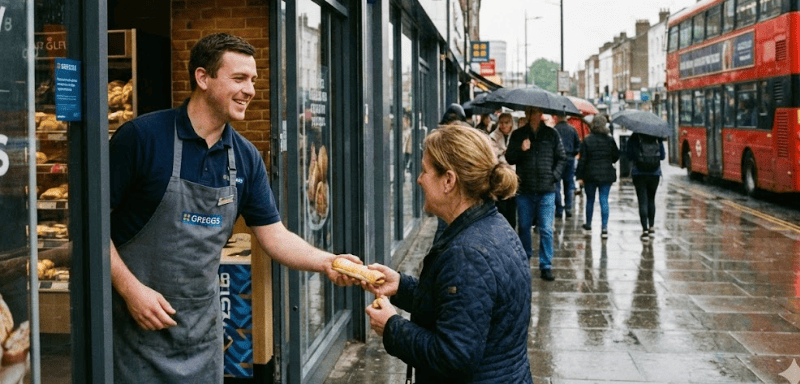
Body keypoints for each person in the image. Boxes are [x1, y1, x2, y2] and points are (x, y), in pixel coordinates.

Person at [108, 33, 360, 383]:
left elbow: (273, 236)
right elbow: (89, 226)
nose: (250, 90)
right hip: (132, 334)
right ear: (203, 78)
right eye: (239, 78)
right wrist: (130, 290)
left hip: (200, 338)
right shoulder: (142, 139)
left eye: (253, 80)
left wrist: (329, 262)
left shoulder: (245, 158)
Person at [363, 125, 533, 384]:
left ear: (449, 181)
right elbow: (461, 305)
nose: (419, 179)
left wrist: (391, 327)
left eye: (424, 171)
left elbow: (453, 357)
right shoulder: (492, 227)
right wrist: (401, 286)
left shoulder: (467, 254)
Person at [505, 106, 567, 281]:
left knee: (546, 229)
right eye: (529, 112)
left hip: (546, 190)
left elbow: (562, 157)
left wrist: (553, 177)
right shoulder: (518, 135)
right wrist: (521, 150)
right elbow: (510, 157)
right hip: (525, 189)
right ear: (526, 113)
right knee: (524, 227)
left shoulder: (552, 134)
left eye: (535, 112)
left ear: (541, 114)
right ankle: (525, 261)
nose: (532, 115)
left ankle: (546, 265)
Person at [575, 115, 619, 239]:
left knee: (590, 200)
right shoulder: (609, 139)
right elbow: (616, 156)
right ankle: (604, 228)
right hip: (606, 174)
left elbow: (582, 160)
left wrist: (579, 176)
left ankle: (588, 224)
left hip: (590, 175)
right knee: (604, 199)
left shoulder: (587, 140)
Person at [625, 132, 666, 241]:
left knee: (642, 200)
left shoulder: (635, 137)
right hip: (654, 174)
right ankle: (652, 227)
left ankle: (645, 231)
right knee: (651, 199)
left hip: (639, 173)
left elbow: (629, 155)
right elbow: (662, 156)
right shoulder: (656, 138)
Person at [489, 112, 517, 228]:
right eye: (501, 122)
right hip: (499, 177)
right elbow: (492, 156)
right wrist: (505, 151)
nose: (504, 125)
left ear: (511, 123)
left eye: (506, 123)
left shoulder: (517, 135)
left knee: (512, 209)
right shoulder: (493, 137)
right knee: (501, 208)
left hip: (514, 176)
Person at [552, 112, 581, 219]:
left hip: (557, 160)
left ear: (558, 117)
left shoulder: (554, 129)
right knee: (569, 185)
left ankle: (559, 210)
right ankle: (568, 208)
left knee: (557, 186)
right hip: (569, 159)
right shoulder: (572, 129)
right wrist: (573, 153)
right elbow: (578, 145)